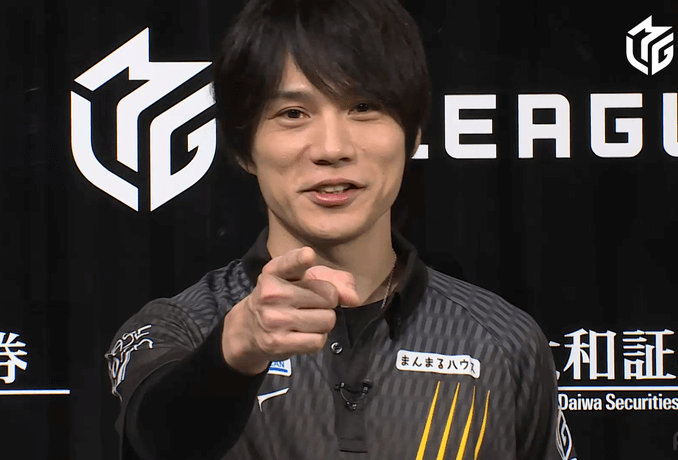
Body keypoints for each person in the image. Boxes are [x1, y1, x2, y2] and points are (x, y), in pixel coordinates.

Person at [105, 0, 577, 458]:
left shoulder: (504, 340)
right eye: (293, 113)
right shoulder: (179, 326)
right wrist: (235, 353)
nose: (332, 148)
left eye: (364, 106)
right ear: (243, 148)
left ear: (413, 135)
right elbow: (158, 440)